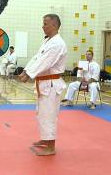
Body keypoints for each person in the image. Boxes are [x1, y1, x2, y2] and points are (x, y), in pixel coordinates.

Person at [19, 14, 67, 156]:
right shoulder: (48, 41)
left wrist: (29, 74)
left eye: (46, 24)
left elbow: (46, 62)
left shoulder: (58, 43)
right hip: (44, 83)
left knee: (49, 115)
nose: (43, 26)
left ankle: (51, 146)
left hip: (51, 85)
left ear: (54, 25)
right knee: (42, 114)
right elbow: (37, 58)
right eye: (43, 23)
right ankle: (46, 140)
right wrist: (26, 70)